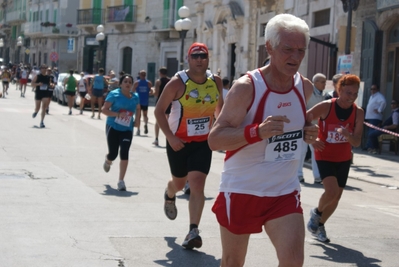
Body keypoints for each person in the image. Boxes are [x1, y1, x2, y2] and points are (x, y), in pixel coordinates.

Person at [207, 14, 318, 266]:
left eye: (301, 50)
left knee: (293, 261)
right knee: (233, 262)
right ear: (269, 47)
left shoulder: (305, 87)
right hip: (242, 189)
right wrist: (256, 132)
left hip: (284, 191)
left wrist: (309, 131)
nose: (296, 57)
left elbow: (301, 123)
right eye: (288, 49)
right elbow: (215, 139)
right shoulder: (247, 87)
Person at [154, 42, 223, 250]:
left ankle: (193, 230)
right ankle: (169, 193)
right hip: (179, 143)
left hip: (203, 143)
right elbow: (158, 111)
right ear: (188, 59)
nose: (200, 60)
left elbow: (220, 109)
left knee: (197, 184)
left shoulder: (215, 82)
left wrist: (220, 131)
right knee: (178, 182)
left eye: (203, 56)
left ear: (208, 59)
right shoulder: (177, 83)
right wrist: (170, 137)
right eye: (196, 56)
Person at [306, 74, 364, 243]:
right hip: (324, 154)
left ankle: (320, 225)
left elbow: (358, 142)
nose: (351, 97)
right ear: (339, 90)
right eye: (348, 93)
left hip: (344, 157)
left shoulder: (358, 112)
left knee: (336, 197)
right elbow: (305, 119)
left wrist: (348, 135)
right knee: (330, 192)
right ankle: (316, 213)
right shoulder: (326, 106)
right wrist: (312, 140)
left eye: (355, 94)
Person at [101, 74, 141, 191]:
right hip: (113, 126)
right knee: (113, 154)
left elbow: (138, 108)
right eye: (125, 81)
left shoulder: (135, 97)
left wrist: (137, 120)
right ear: (120, 84)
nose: (128, 84)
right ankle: (108, 160)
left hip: (127, 129)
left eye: (130, 82)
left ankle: (121, 181)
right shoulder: (114, 94)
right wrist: (118, 114)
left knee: (124, 152)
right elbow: (104, 110)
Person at [297, 73, 326, 184]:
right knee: (302, 151)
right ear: (316, 82)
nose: (324, 84)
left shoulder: (325, 95)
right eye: (322, 82)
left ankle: (317, 176)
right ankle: (298, 174)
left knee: (316, 151)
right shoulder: (308, 93)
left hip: (317, 127)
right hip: (305, 126)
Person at [153, 67, 171, 146]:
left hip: (160, 102)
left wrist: (152, 91)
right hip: (169, 102)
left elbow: (156, 94)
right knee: (169, 121)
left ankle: (156, 139)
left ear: (160, 73)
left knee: (158, 121)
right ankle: (169, 139)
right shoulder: (170, 81)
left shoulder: (158, 81)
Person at [365, 84, 386, 150]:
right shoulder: (372, 96)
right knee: (370, 132)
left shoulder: (379, 96)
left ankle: (372, 147)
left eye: (374, 89)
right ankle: (369, 146)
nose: (372, 90)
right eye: (371, 89)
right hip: (370, 117)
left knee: (372, 132)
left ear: (377, 89)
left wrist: (379, 110)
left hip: (375, 117)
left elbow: (383, 102)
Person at [133, 70, 153, 136]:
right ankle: (146, 124)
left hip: (138, 101)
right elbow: (152, 91)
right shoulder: (148, 83)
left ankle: (138, 130)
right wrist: (149, 93)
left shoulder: (137, 83)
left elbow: (132, 91)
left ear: (140, 75)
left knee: (138, 116)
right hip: (145, 101)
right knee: (145, 115)